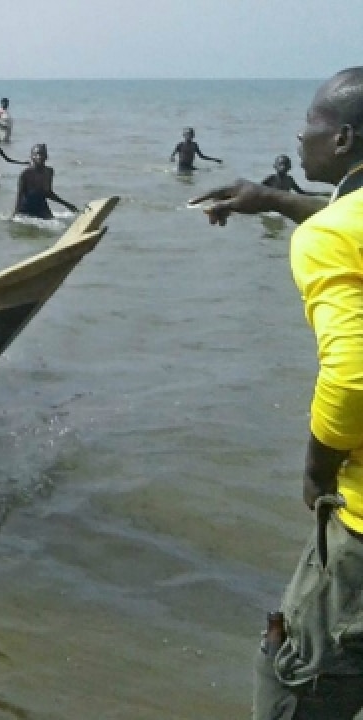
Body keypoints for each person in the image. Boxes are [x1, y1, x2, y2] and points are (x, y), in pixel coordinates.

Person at [188, 66, 363, 720]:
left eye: (312, 121)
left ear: (342, 139)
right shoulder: (339, 220)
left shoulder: (329, 238)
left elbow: (351, 376)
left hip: (361, 520)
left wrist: (316, 470)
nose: (299, 130)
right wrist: (273, 199)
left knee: (293, 684)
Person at [15, 144, 78, 219]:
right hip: (26, 207)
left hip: (41, 204)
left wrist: (68, 205)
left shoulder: (49, 172)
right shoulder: (26, 173)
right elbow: (20, 195)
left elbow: (48, 193)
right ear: (31, 157)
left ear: (46, 157)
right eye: (36, 154)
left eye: (42, 154)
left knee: (56, 224)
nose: (39, 157)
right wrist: (15, 214)